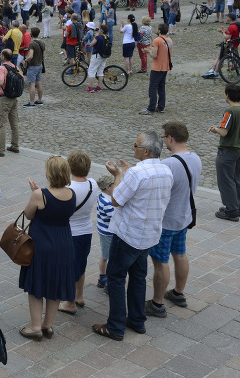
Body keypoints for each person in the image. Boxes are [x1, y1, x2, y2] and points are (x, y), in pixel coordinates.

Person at [93, 131, 172, 341]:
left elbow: (116, 199)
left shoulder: (137, 173)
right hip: (149, 234)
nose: (133, 148)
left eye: (135, 146)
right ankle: (137, 321)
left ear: (146, 151)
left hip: (129, 234)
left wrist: (119, 175)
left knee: (116, 277)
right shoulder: (166, 170)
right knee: (138, 277)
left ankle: (116, 326)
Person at [145, 122, 201, 318]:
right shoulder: (196, 158)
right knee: (180, 254)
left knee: (160, 262)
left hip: (167, 221)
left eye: (164, 136)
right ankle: (178, 293)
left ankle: (158, 303)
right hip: (184, 217)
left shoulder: (169, 164)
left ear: (170, 138)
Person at [17, 156, 76, 341]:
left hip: (42, 244)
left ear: (49, 173)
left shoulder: (40, 195)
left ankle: (35, 327)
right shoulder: (72, 194)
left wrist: (35, 192)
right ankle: (48, 325)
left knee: (37, 284)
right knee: (56, 283)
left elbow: (28, 214)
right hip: (64, 243)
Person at [57, 151, 99, 315]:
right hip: (86, 231)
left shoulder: (67, 188)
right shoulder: (92, 184)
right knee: (80, 263)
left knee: (68, 267)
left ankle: (69, 303)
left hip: (69, 232)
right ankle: (79, 296)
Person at [210, 83, 240, 222]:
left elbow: (224, 132)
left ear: (227, 95)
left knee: (226, 180)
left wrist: (215, 128)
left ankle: (231, 210)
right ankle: (237, 206)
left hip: (228, 151)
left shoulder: (229, 112)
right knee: (236, 179)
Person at [0, 49, 22, 157]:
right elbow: (23, 79)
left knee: (2, 123)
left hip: (4, 98)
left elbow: (0, 81)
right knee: (14, 123)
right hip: (14, 98)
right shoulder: (15, 67)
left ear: (3, 56)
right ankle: (15, 145)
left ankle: (0, 149)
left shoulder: (2, 68)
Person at [140, 23, 171, 115]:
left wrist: (148, 50)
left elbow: (154, 55)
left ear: (159, 31)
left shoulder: (157, 40)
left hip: (157, 67)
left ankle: (151, 108)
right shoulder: (169, 40)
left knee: (152, 88)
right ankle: (161, 107)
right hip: (165, 66)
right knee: (161, 88)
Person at [23, 27, 44, 107]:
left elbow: (31, 56)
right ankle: (39, 100)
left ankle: (31, 102)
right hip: (40, 65)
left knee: (31, 84)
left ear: (31, 34)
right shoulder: (42, 42)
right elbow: (44, 55)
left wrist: (26, 60)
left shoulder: (32, 44)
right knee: (39, 82)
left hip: (33, 66)